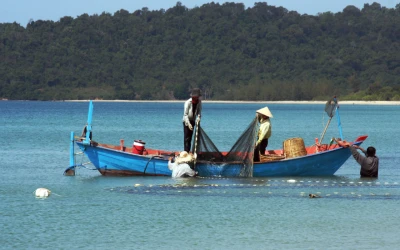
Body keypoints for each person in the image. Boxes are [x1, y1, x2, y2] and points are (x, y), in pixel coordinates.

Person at [182, 88, 202, 152]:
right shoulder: (187, 103)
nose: (197, 98)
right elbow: (185, 115)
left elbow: (199, 112)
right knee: (186, 138)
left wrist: (198, 118)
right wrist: (188, 124)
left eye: (197, 97)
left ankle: (189, 151)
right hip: (186, 121)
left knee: (190, 137)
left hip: (193, 121)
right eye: (196, 96)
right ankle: (186, 151)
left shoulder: (199, 102)